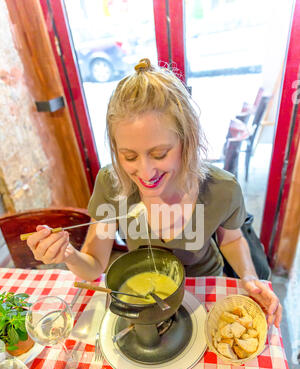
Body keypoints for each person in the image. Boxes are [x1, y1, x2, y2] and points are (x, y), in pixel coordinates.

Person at [26, 58, 282, 328]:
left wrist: (250, 278)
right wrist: (66, 253)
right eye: (129, 156)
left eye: (159, 154)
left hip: (205, 287)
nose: (146, 173)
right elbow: (94, 265)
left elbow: (231, 239)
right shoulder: (112, 186)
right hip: (146, 296)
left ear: (187, 139)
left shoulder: (221, 188)